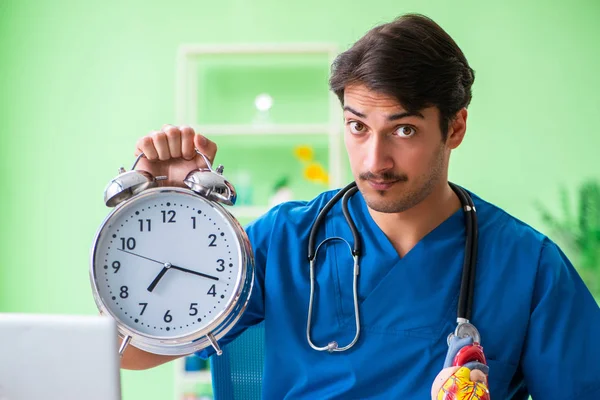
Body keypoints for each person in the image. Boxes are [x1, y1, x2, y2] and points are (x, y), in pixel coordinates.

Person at [120, 13, 600, 399]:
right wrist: (174, 211)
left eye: (403, 130)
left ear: (454, 128)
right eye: (358, 126)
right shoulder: (285, 241)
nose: (375, 160)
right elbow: (130, 352)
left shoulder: (528, 266)